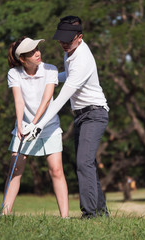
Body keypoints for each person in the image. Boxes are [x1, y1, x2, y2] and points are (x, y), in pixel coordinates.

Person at [26, 16, 110, 218]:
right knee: (86, 163)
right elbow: (66, 76)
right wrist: (47, 76)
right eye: (61, 39)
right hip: (81, 115)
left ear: (79, 37)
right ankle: (100, 214)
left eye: (68, 39)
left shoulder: (83, 58)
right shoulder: (70, 52)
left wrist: (38, 124)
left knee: (83, 163)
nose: (63, 43)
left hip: (94, 113)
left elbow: (62, 98)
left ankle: (90, 215)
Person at [2, 36, 69, 218]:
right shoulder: (14, 73)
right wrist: (21, 126)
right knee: (15, 170)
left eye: (37, 49)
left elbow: (47, 100)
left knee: (56, 170)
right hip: (24, 127)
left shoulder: (50, 69)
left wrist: (35, 124)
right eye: (31, 52)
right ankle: (4, 214)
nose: (37, 53)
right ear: (23, 59)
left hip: (49, 127)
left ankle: (65, 217)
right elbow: (19, 101)